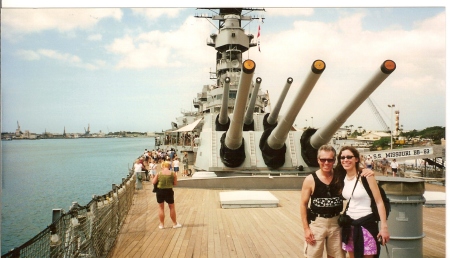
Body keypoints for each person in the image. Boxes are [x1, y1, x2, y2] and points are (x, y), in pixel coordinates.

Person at [335, 146, 390, 258]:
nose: (345, 160)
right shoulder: (341, 177)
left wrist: (384, 228)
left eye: (349, 157)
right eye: (343, 157)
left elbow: (379, 202)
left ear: (356, 159)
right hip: (349, 226)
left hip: (366, 225)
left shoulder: (366, 176)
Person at [300, 145, 346, 258]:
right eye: (323, 159)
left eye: (330, 160)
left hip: (336, 224)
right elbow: (303, 204)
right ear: (318, 160)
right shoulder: (310, 179)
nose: (326, 163)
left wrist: (366, 170)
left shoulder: (340, 176)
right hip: (317, 224)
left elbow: (355, 170)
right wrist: (306, 229)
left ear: (334, 161)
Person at [152, 161, 182, 229]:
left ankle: (161, 225)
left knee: (161, 208)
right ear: (169, 166)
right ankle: (174, 224)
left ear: (162, 166)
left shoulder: (159, 173)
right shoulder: (173, 173)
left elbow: (153, 182)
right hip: (169, 191)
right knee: (171, 207)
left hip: (160, 191)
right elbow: (175, 183)